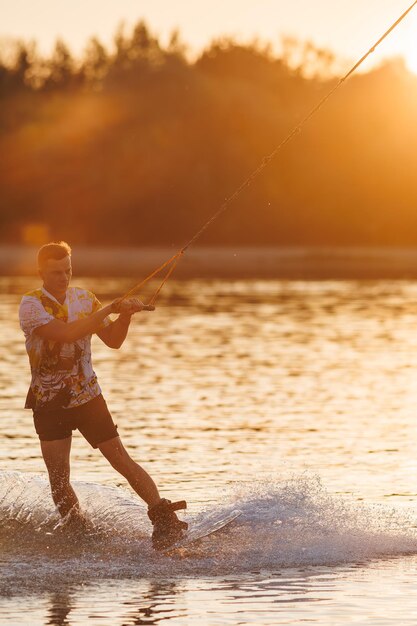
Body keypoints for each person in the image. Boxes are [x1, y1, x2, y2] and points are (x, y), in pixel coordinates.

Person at [19, 241, 187, 550]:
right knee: (58, 478)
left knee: (119, 457)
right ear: (41, 272)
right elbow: (67, 333)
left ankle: (163, 519)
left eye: (68, 270)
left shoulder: (85, 299)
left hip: (88, 396)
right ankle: (77, 530)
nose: (64, 277)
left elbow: (113, 340)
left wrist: (125, 315)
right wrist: (110, 307)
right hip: (49, 402)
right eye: (56, 273)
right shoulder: (31, 305)